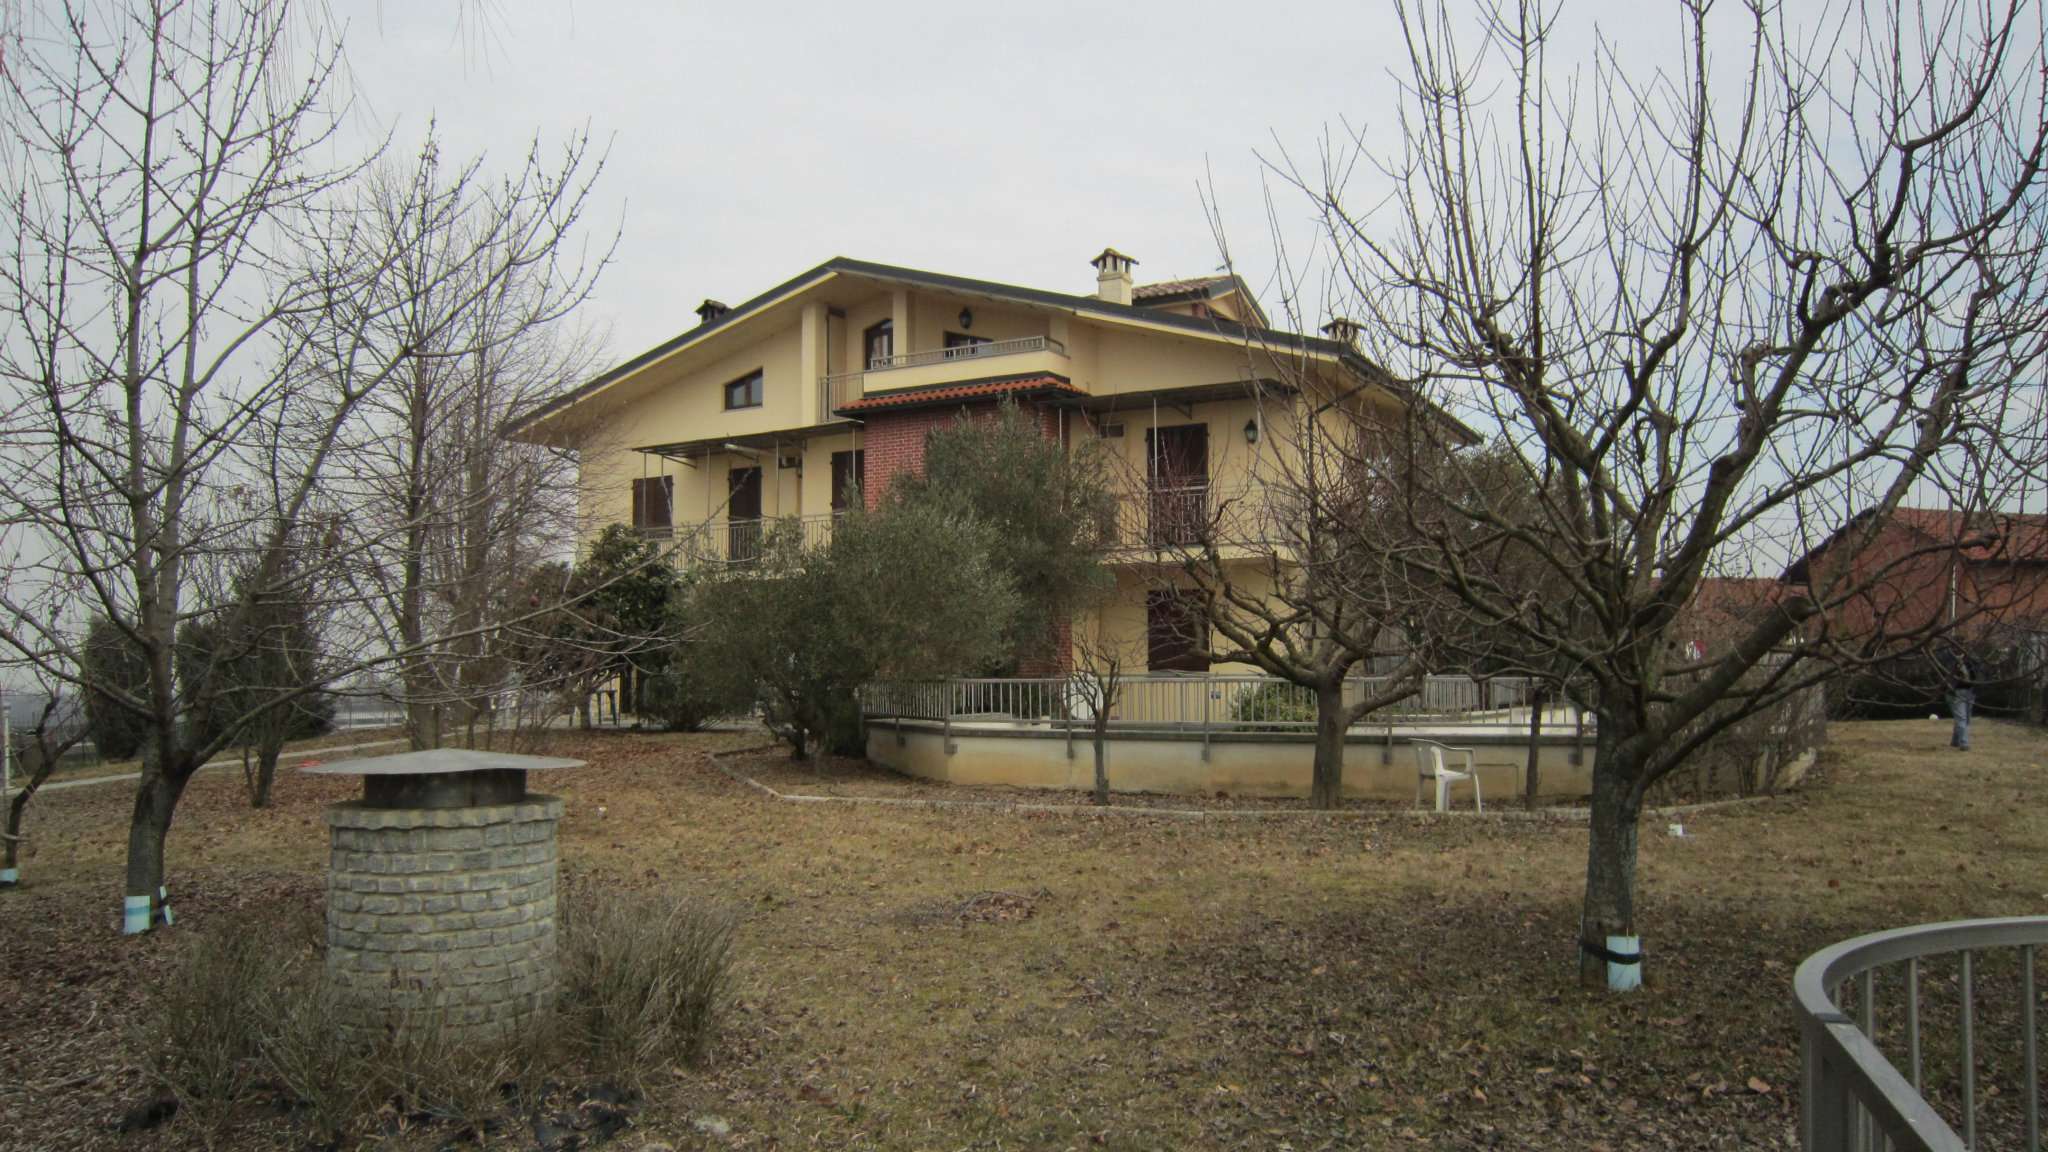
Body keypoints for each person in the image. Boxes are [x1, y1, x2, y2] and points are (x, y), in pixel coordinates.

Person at [1940, 644, 1981, 751]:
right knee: (1962, 718)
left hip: (1968, 691)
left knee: (1964, 718)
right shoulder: (1950, 660)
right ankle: (1964, 743)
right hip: (1956, 692)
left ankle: (1955, 741)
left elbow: (1977, 672)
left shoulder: (1970, 660)